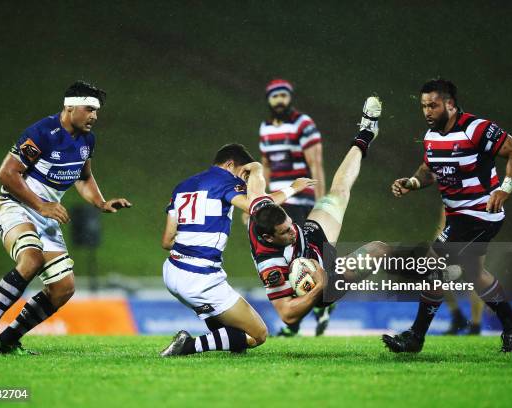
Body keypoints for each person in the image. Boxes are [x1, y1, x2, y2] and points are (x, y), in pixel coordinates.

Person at [0, 81, 132, 355]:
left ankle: (6, 341)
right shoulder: (42, 133)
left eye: (97, 111)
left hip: (46, 214)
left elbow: (84, 177)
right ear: (69, 107)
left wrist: (101, 202)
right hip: (16, 206)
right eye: (89, 109)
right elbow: (7, 174)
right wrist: (42, 205)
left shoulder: (86, 140)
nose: (95, 116)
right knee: (31, 258)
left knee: (63, 288)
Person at [383, 79, 512, 352]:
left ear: (450, 104)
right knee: (474, 273)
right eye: (423, 106)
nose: (427, 111)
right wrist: (411, 183)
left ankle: (415, 337)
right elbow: (429, 170)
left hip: (480, 213)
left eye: (433, 105)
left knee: (434, 266)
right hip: (457, 216)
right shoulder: (430, 136)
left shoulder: (477, 129)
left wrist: (505, 189)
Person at [159, 144, 315, 356]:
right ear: (230, 165)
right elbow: (260, 207)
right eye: (244, 174)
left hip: (172, 270)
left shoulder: (182, 186)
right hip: (199, 277)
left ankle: (220, 339)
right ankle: (188, 345)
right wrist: (281, 181)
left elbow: (167, 240)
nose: (243, 182)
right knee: (258, 334)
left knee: (237, 339)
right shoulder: (226, 181)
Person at [246, 96, 389, 328]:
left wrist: (255, 168)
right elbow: (287, 315)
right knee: (379, 250)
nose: (292, 230)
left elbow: (255, 189)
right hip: (323, 281)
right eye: (285, 232)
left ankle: (366, 133)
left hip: (311, 241)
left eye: (290, 224)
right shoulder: (270, 265)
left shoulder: (264, 211)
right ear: (269, 238)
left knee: (339, 191)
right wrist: (319, 287)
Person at [258, 78, 331, 336]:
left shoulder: (303, 124)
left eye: (284, 96)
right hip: (279, 203)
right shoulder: (265, 128)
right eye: (275, 96)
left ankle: (304, 317)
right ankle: (300, 318)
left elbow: (316, 164)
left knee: (302, 261)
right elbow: (266, 167)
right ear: (269, 100)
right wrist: (261, 203)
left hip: (301, 201)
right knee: (290, 264)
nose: (280, 101)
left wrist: (322, 202)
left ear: (290, 98)